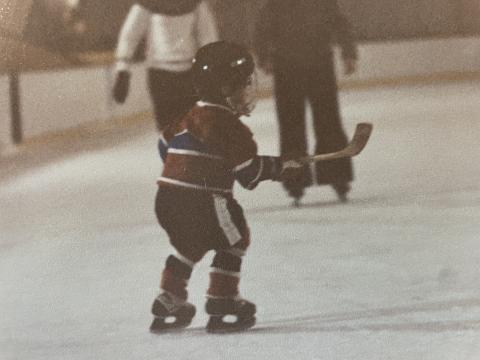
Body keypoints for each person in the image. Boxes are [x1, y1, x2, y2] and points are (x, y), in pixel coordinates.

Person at [149, 41, 304, 333]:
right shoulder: (230, 126)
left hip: (166, 199)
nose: (246, 91)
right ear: (224, 88)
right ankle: (222, 301)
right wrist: (282, 167)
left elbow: (164, 146)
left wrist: (187, 172)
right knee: (235, 240)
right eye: (242, 85)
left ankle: (169, 298)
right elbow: (248, 173)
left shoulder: (188, 115)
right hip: (204, 200)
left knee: (188, 246)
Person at [253, 0, 358, 204]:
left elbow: (339, 22)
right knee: (294, 125)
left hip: (316, 64)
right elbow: (263, 25)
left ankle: (335, 178)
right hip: (289, 66)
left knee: (327, 122)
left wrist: (349, 52)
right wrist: (263, 55)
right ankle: (297, 182)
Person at [112, 0, 218, 131]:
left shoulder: (196, 4)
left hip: (189, 76)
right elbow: (129, 35)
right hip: (160, 75)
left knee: (192, 131)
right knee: (167, 130)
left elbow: (208, 36)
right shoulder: (147, 4)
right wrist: (123, 71)